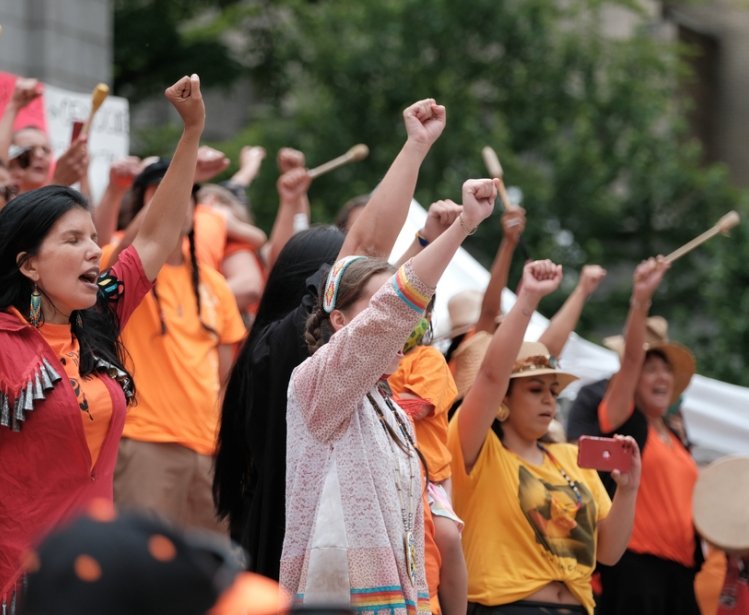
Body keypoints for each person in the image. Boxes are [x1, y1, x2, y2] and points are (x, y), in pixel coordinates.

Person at [213, 97, 448, 582]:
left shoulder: (274, 352)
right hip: (309, 566)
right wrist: (415, 148)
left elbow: (376, 288)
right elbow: (366, 253)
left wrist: (426, 243)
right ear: (320, 299)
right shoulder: (287, 348)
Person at [0, 73, 205, 610]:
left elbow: (157, 235)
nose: (95, 250)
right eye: (73, 240)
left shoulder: (99, 318)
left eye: (94, 237)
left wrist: (191, 133)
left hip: (101, 580)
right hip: (18, 583)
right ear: (27, 265)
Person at [282, 177, 496, 612]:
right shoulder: (316, 382)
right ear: (340, 322)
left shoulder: (393, 413)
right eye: (385, 310)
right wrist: (461, 229)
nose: (407, 325)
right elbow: (394, 307)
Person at [447, 259, 641, 615]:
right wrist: (529, 299)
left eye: (554, 390)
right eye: (536, 389)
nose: (550, 399)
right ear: (502, 401)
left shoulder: (570, 457)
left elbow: (609, 553)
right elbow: (491, 376)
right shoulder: (477, 450)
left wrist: (628, 488)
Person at [109, 159, 247, 535]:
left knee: (209, 575)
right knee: (142, 571)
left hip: (206, 451)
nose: (177, 204)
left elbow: (224, 377)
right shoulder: (119, 265)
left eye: (186, 196)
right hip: (146, 442)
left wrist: (221, 442)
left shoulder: (215, 284)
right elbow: (127, 251)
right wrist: (182, 176)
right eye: (162, 196)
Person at [566, 257, 701, 615]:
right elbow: (627, 364)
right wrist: (641, 299)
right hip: (633, 570)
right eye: (649, 369)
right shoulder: (626, 422)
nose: (660, 378)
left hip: (680, 575)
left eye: (666, 371)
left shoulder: (676, 434)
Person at [388, 298, 467, 615]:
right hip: (385, 472)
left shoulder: (427, 357)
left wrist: (371, 399)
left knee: (446, 536)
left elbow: (418, 405)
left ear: (428, 317)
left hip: (427, 476)